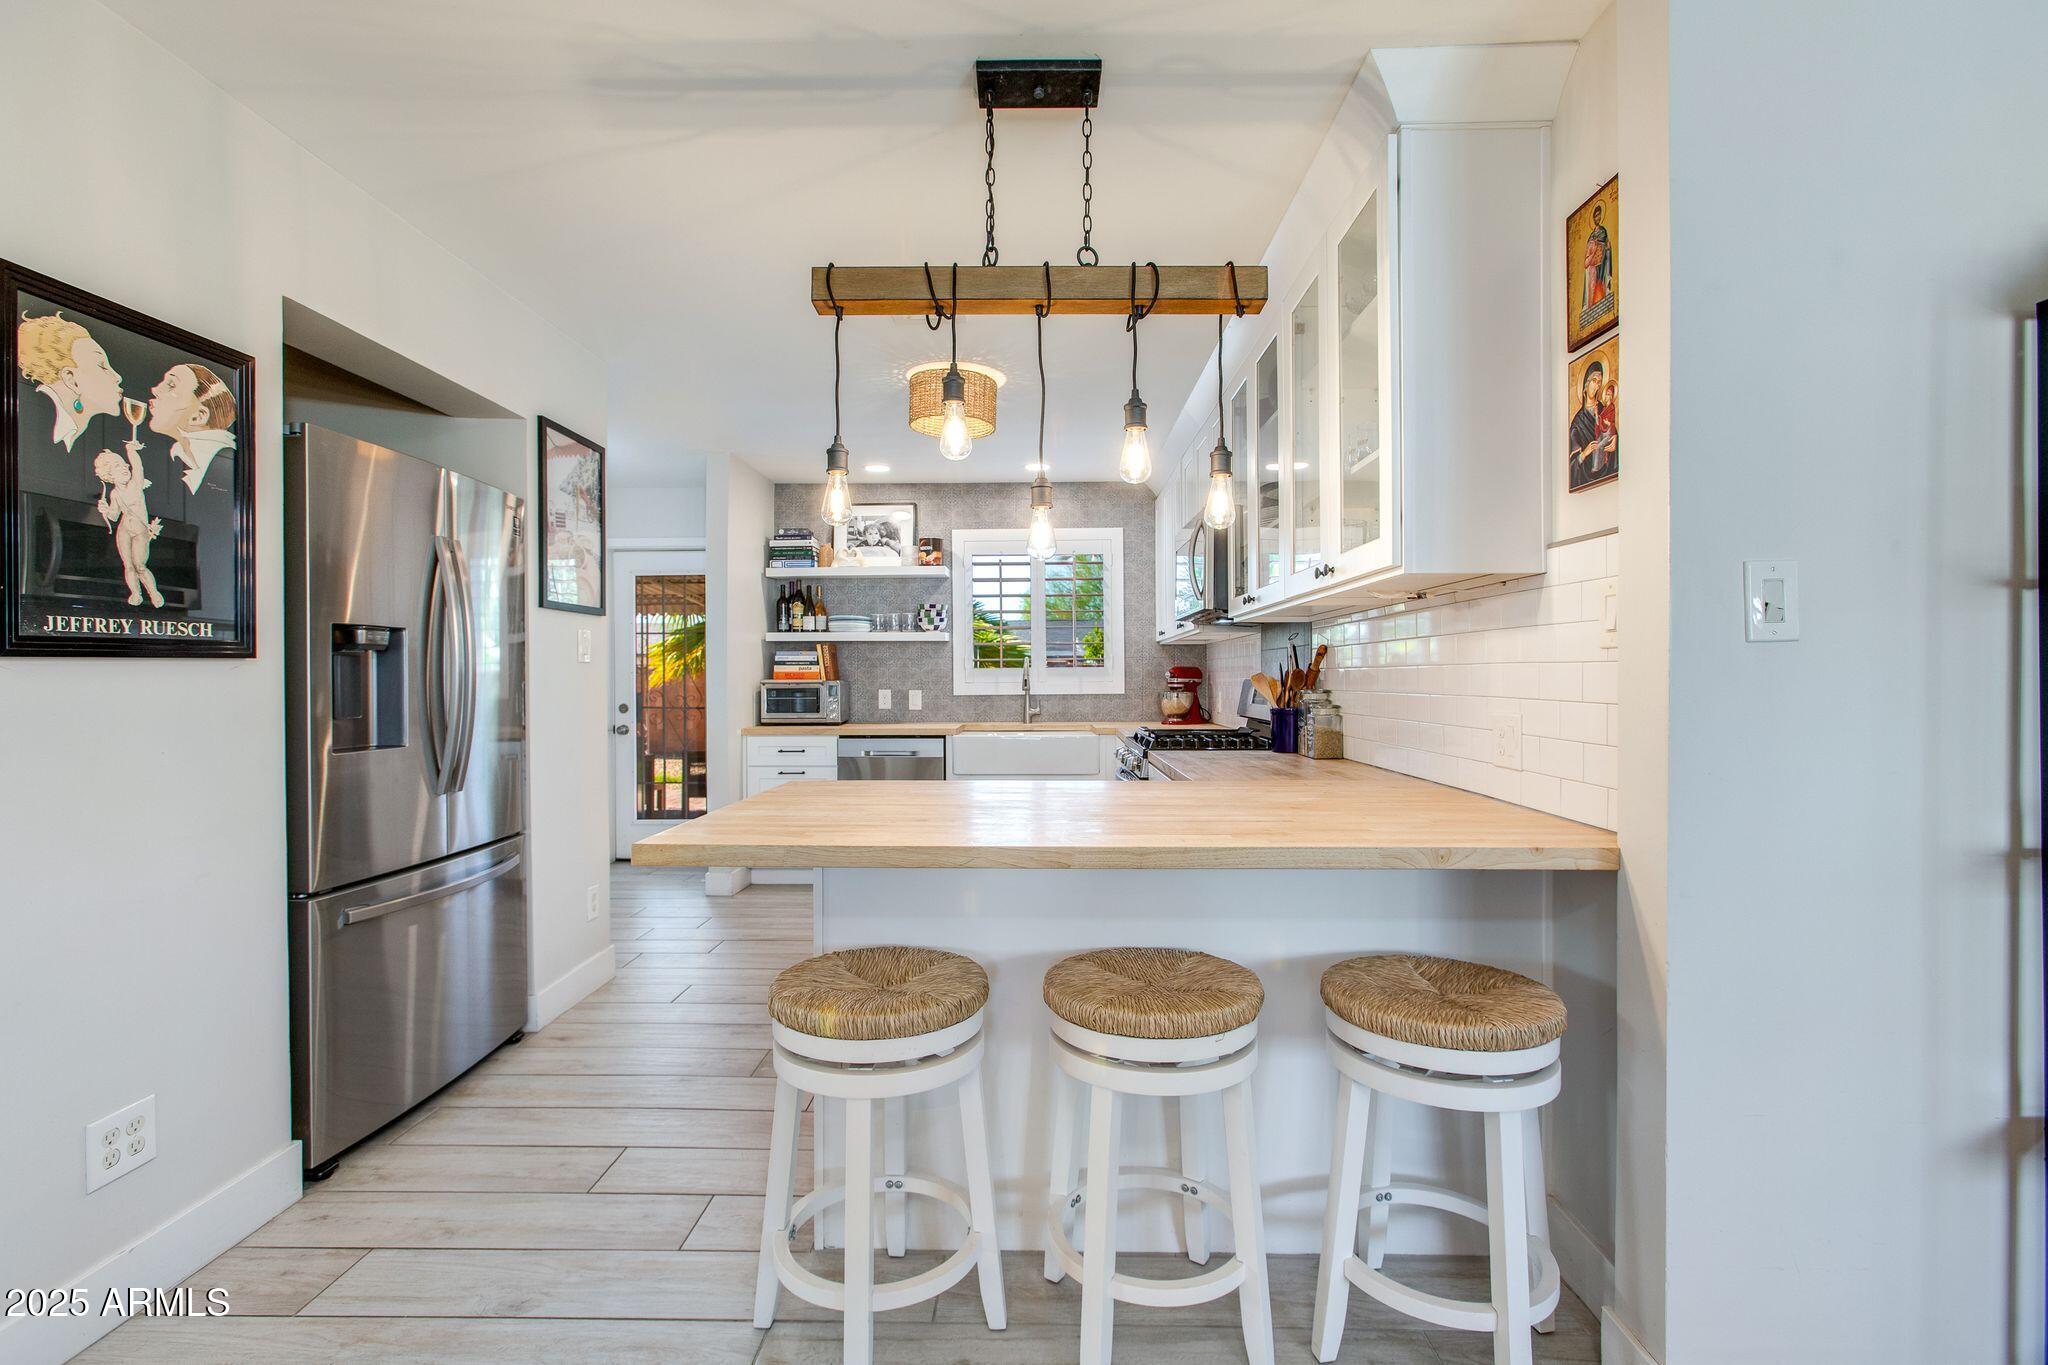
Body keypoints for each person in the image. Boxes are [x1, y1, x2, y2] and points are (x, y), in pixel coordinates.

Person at [16, 311, 123, 451]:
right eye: (102, 366)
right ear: (71, 378)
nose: (118, 377)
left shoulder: (81, 437)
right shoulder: (32, 421)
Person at [93, 440, 164, 608]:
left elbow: (138, 467)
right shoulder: (115, 493)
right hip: (124, 530)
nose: (125, 468)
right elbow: (114, 516)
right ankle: (135, 593)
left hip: (140, 531)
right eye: (118, 466)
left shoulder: (136, 484)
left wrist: (130, 450)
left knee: (139, 565)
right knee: (129, 565)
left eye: (125, 465)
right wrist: (105, 509)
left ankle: (153, 592)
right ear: (109, 474)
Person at [147, 362, 237, 493]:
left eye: (171, 385)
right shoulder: (180, 458)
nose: (155, 390)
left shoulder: (224, 466)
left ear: (198, 417)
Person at [1569, 360, 1608, 486]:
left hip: (1605, 467)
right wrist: (1585, 453)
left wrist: (1613, 442)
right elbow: (1571, 462)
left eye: (1599, 382)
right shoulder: (1577, 421)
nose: (1597, 386)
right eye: (1594, 381)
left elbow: (1611, 433)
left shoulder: (1603, 409)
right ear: (1586, 383)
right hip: (1587, 473)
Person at [1581, 203, 1614, 318]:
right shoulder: (1590, 236)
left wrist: (1608, 250)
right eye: (1595, 216)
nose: (1597, 218)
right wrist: (1593, 251)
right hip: (1592, 268)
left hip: (1602, 265)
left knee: (1601, 288)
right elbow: (1586, 259)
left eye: (1599, 215)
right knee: (1592, 289)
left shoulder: (1603, 231)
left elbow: (1606, 246)